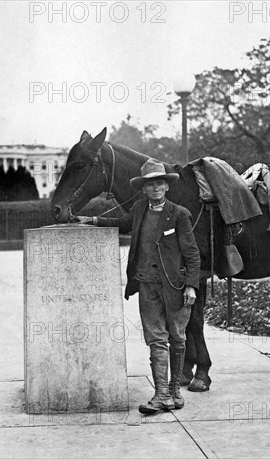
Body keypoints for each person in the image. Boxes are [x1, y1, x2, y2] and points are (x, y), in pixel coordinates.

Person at [77, 158, 201, 414]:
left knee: (177, 338)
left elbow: (192, 254)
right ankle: (162, 394)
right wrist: (91, 220)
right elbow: (120, 223)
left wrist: (191, 286)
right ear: (143, 189)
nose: (155, 189)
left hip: (175, 287)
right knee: (156, 339)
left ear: (166, 187)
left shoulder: (179, 214)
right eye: (150, 185)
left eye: (159, 184)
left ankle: (175, 391)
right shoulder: (139, 209)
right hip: (147, 286)